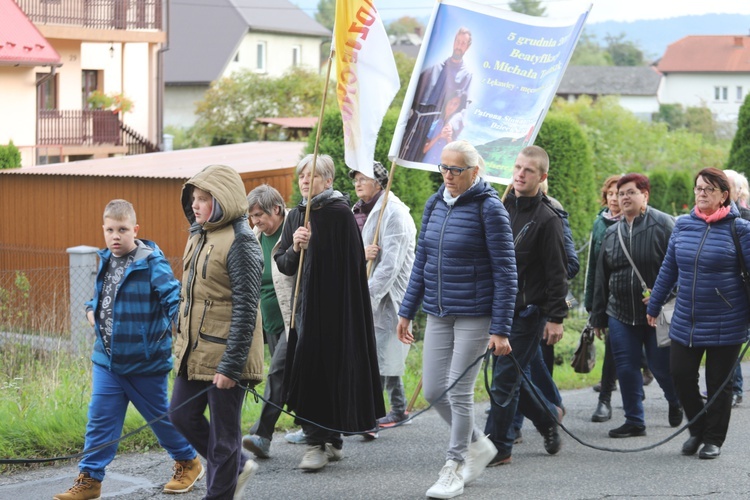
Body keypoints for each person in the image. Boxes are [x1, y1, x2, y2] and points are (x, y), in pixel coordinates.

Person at [54, 200, 202, 500]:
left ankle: (188, 461)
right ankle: (90, 479)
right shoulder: (106, 258)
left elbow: (174, 299)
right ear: (104, 230)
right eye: (109, 230)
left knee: (161, 419)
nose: (115, 236)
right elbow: (97, 297)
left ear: (135, 230)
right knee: (100, 419)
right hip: (107, 360)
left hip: (145, 362)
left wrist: (187, 332)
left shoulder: (151, 262)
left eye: (122, 230)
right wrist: (90, 310)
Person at [398, 140, 517, 499]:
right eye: (443, 168)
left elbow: (506, 272)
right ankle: (479, 444)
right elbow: (422, 262)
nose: (448, 175)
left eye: (456, 170)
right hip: (439, 311)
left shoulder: (490, 209)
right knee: (434, 390)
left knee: (459, 391)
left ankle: (454, 466)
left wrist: (501, 329)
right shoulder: (435, 203)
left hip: (476, 314)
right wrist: (407, 310)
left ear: (474, 172)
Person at [274, 154, 385, 471]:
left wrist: (318, 243)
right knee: (309, 372)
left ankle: (330, 441)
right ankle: (315, 442)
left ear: (328, 180)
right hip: (307, 312)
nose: (305, 180)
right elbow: (283, 263)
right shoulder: (297, 215)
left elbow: (351, 268)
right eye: (301, 176)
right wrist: (296, 246)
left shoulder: (339, 215)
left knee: (332, 372)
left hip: (337, 311)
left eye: (312, 175)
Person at [170, 165, 265, 500]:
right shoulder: (199, 234)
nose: (195, 205)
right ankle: (237, 465)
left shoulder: (241, 242)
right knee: (180, 415)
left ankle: (221, 489)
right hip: (195, 352)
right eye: (193, 198)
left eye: (203, 198)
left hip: (227, 356)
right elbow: (192, 296)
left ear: (222, 200)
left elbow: (246, 310)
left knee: (223, 437)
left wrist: (230, 365)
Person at [647, 167, 750, 459]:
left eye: (709, 189)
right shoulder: (683, 225)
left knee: (719, 384)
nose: (701, 193)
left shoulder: (740, 229)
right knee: (680, 375)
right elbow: (668, 268)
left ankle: (713, 439)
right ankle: (697, 428)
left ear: (724, 196)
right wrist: (654, 304)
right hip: (686, 318)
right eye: (698, 188)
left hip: (727, 319)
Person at [484, 145, 568, 468]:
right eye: (517, 168)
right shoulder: (500, 206)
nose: (520, 174)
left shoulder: (548, 219)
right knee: (513, 376)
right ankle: (548, 419)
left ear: (542, 177)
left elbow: (557, 273)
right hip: (496, 307)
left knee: (504, 378)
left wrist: (556, 318)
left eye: (528, 170)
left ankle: (498, 447)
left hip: (527, 312)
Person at [591, 173, 682, 439]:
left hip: (657, 315)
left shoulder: (665, 225)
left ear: (645, 196)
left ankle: (675, 400)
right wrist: (598, 316)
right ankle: (634, 420)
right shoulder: (610, 233)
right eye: (620, 194)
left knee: (660, 366)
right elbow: (601, 278)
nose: (624, 198)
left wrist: (665, 294)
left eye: (631, 192)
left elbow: (682, 267)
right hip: (619, 312)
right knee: (626, 365)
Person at [350, 162, 416, 427]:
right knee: (380, 354)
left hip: (388, 297)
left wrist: (366, 296)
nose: (357, 183)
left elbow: (390, 265)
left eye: (363, 179)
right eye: (355, 179)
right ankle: (394, 410)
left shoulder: (394, 213)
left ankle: (376, 414)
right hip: (369, 291)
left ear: (379, 184)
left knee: (381, 354)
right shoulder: (360, 211)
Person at [242, 185, 295, 459]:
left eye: (259, 214)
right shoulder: (255, 235)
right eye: (252, 216)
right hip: (269, 320)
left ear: (276, 209)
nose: (255, 221)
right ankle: (317, 430)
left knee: (276, 373)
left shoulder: (293, 231)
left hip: (294, 318)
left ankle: (262, 435)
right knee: (289, 378)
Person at [399, 27, 473, 163]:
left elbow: (463, 109)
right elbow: (413, 96)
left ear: (467, 47)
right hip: (416, 124)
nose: (459, 46)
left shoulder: (467, 76)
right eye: (458, 41)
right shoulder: (433, 69)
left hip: (437, 127)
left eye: (463, 43)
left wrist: (450, 125)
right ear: (453, 42)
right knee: (403, 157)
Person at [585, 175, 622, 423]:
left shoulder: (637, 222)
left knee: (624, 350)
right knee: (612, 348)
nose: (614, 198)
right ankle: (605, 399)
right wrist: (591, 306)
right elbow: (592, 268)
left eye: (618, 194)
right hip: (605, 296)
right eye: (610, 193)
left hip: (628, 296)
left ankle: (673, 399)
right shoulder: (600, 223)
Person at [723, 169, 750, 407]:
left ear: (738, 191)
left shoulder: (746, 218)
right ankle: (732, 389)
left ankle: (734, 388)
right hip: (724, 295)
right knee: (727, 344)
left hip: (743, 292)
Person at [422, 90, 466, 165]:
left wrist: (449, 138)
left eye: (455, 104)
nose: (451, 106)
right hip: (426, 164)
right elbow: (424, 150)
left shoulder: (459, 128)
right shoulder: (435, 123)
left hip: (441, 169)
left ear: (459, 107)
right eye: (451, 102)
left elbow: (456, 157)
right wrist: (439, 136)